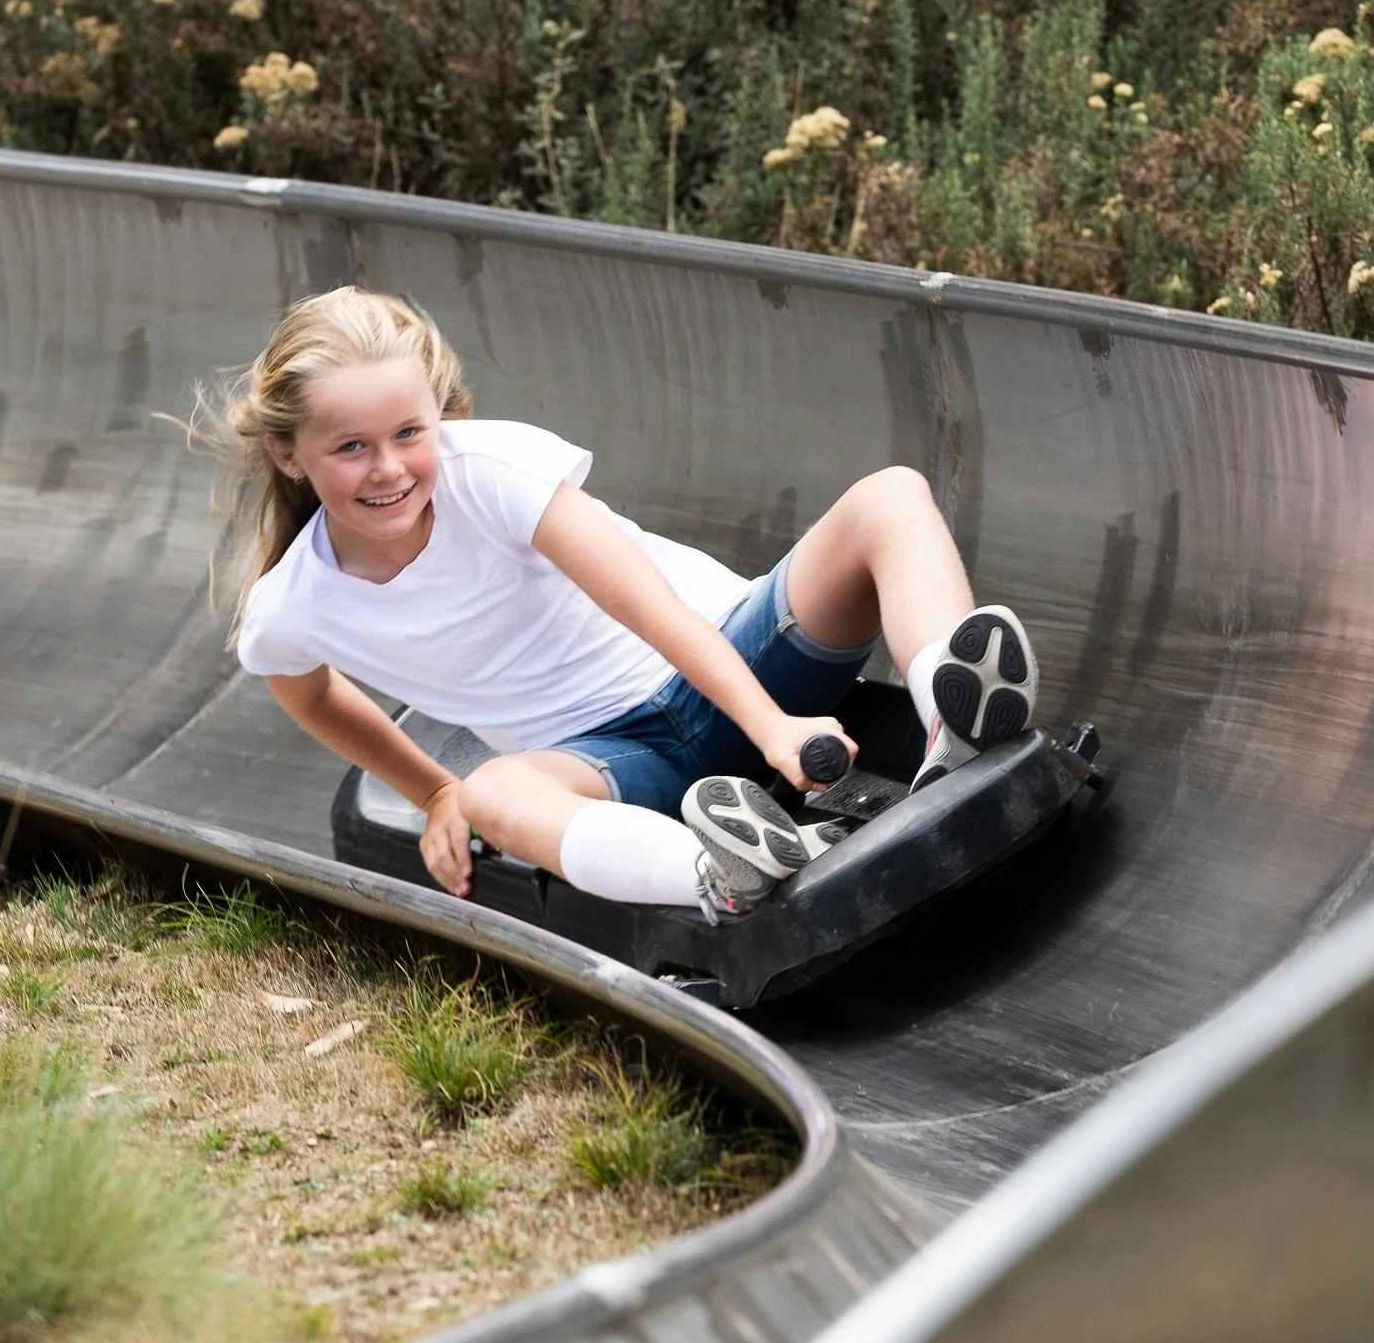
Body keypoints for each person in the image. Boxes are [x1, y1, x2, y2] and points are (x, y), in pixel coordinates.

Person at [202, 286, 1041, 919]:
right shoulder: (294, 605)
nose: (388, 469)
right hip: (613, 761)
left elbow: (653, 610)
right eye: (350, 448)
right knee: (493, 793)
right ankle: (718, 871)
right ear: (289, 455)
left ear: (439, 416)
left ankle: (952, 722)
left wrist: (769, 724)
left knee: (888, 497)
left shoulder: (492, 473)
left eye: (409, 434)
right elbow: (308, 694)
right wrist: (435, 794)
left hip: (739, 661)